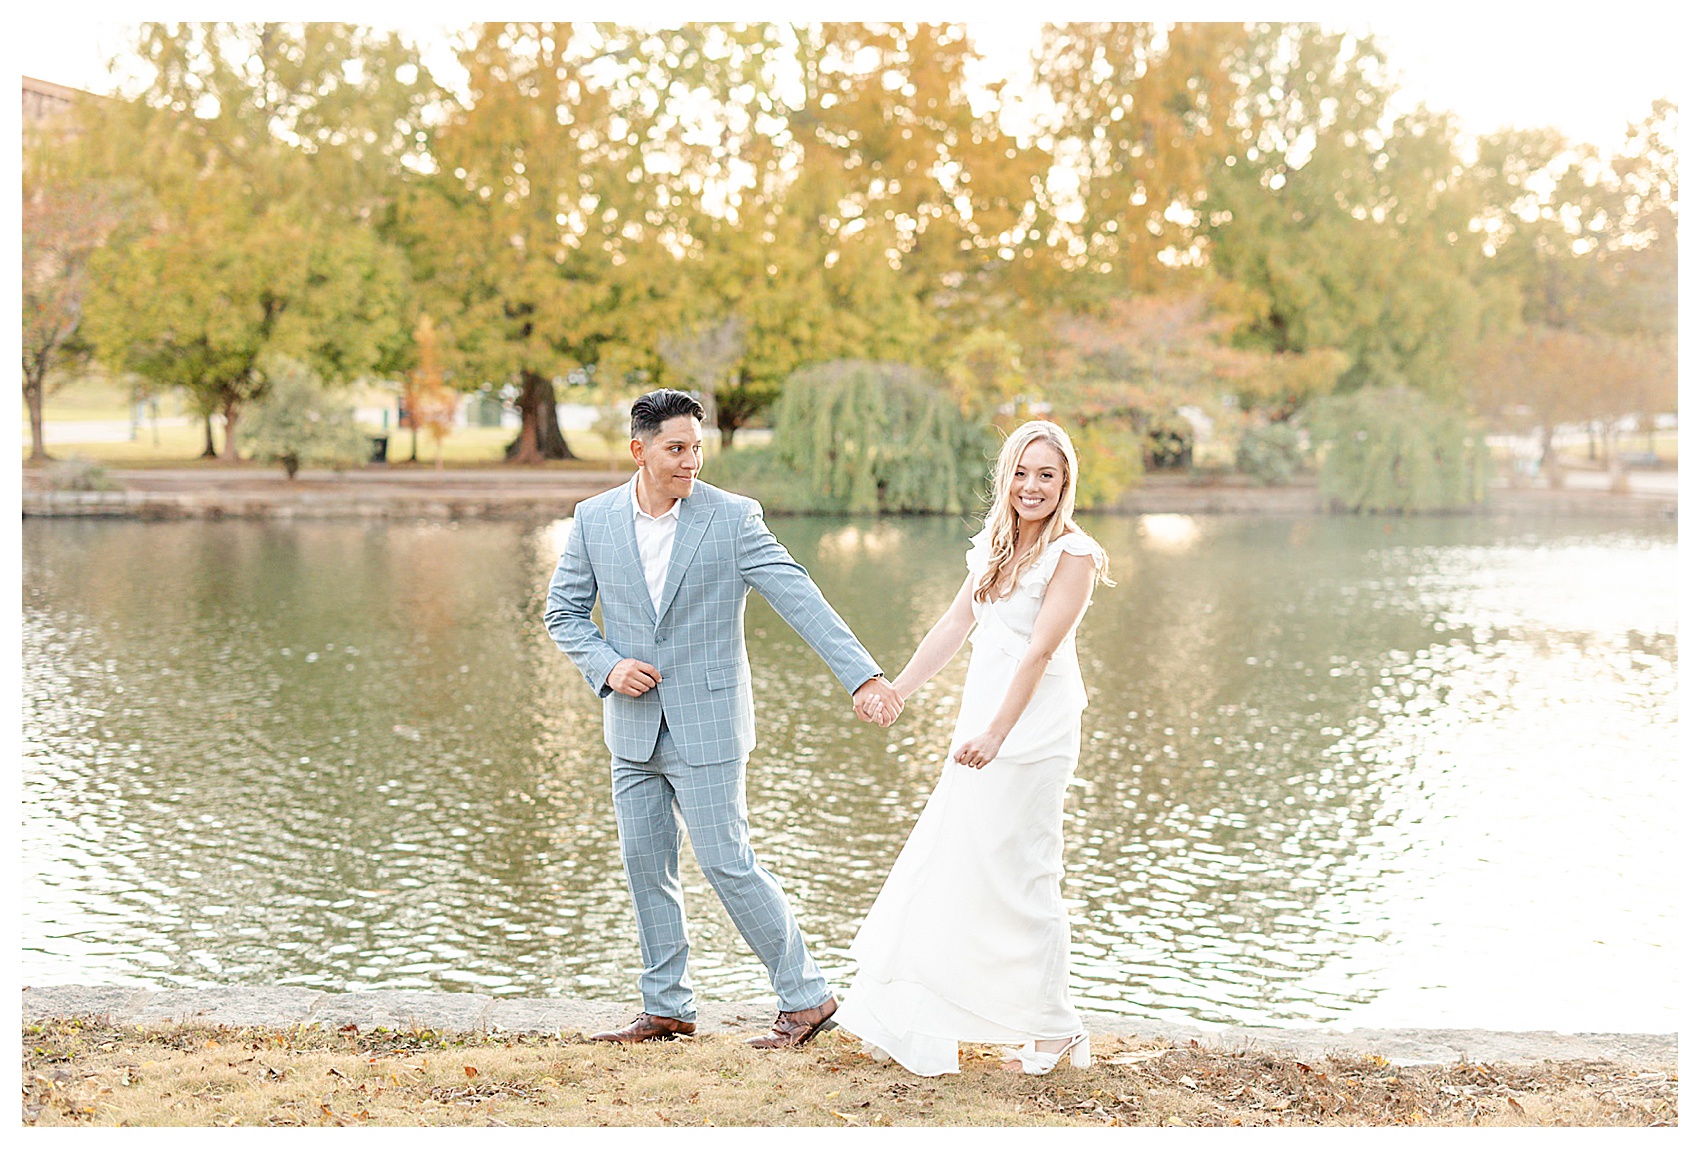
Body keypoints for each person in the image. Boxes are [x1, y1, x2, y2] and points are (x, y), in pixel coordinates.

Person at [544, 389, 903, 1048]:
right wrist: (607, 665)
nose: (691, 461)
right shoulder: (594, 520)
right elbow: (562, 612)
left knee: (728, 862)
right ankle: (666, 1007)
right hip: (632, 727)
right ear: (639, 450)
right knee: (645, 866)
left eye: (697, 448)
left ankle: (806, 997)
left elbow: (800, 597)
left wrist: (863, 675)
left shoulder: (733, 519)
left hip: (709, 725)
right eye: (676, 449)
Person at [833, 420, 1113, 1077]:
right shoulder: (994, 546)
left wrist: (997, 734)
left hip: (1031, 734)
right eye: (1021, 472)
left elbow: (1040, 651)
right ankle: (929, 1014)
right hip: (980, 728)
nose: (1031, 486)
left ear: (1065, 482)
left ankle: (1056, 1028)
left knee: (1027, 872)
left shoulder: (1074, 555)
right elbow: (956, 623)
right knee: (957, 860)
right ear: (1005, 477)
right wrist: (897, 690)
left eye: (1046, 475)